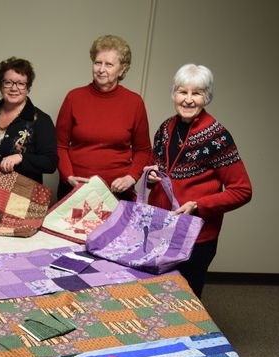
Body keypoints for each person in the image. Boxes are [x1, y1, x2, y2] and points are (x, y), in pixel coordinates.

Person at [145, 64, 252, 297]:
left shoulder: (218, 137)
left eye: (197, 93)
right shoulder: (164, 129)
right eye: (183, 92)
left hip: (195, 238)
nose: (188, 99)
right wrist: (152, 177)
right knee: (153, 296)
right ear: (174, 93)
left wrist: (198, 206)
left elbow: (242, 190)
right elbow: (160, 169)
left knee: (186, 302)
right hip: (159, 230)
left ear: (207, 97)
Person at [55, 34, 152, 200]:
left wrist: (131, 178)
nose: (101, 69)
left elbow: (143, 150)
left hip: (116, 194)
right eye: (97, 62)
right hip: (75, 190)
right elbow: (59, 145)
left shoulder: (134, 102)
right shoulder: (74, 97)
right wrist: (68, 176)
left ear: (122, 69)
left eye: (109, 64)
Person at [0, 57, 57, 183]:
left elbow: (50, 163)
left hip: (20, 197)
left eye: (21, 83)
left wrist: (21, 157)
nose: (14, 88)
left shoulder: (41, 120)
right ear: (0, 86)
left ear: (28, 87)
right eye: (8, 82)